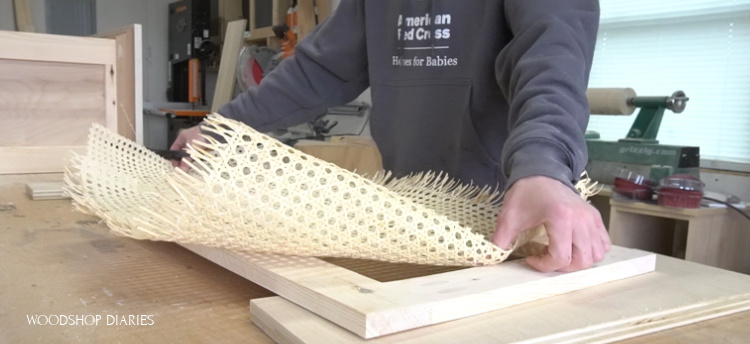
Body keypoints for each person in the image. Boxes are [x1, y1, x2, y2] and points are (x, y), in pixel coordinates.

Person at [171, 0, 611, 272]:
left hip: (507, 230)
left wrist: (543, 166)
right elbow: (316, 72)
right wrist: (221, 129)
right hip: (408, 221)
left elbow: (551, 61)